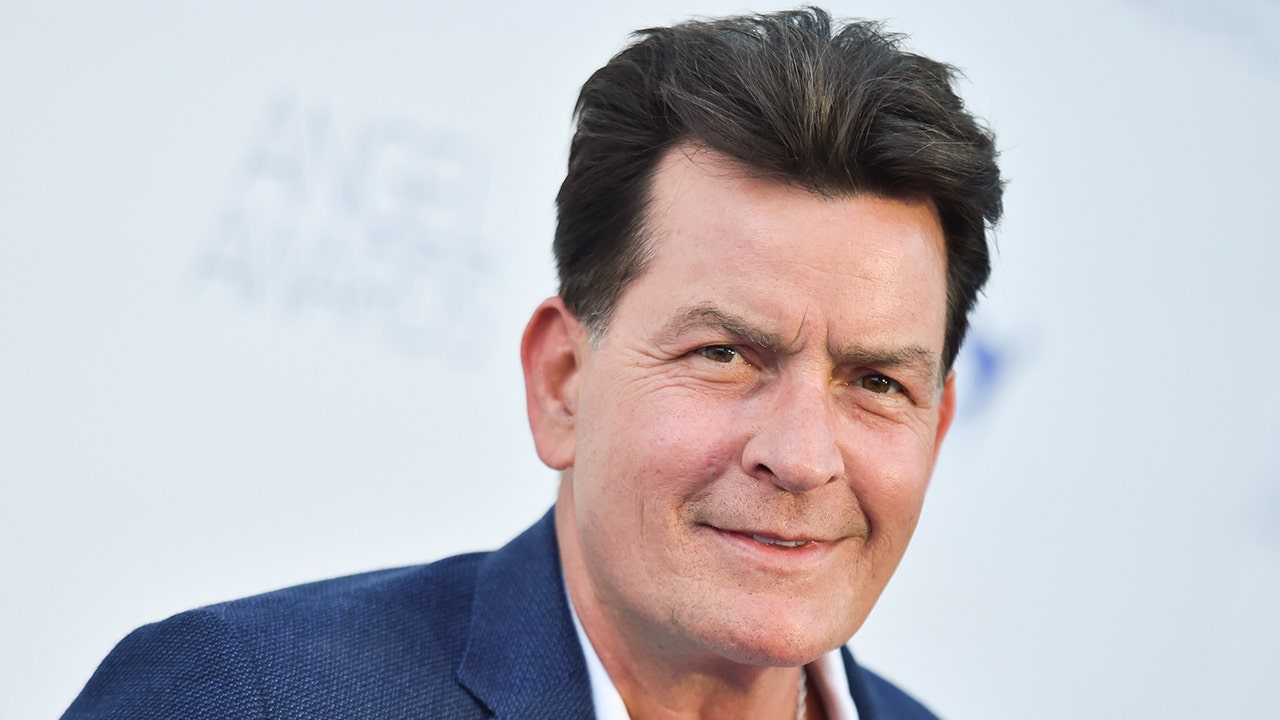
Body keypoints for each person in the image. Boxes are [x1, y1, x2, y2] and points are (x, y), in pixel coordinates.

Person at [63, 8, 1002, 719]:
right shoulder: (240, 697)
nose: (799, 458)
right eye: (723, 354)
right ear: (562, 383)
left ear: (937, 427)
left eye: (876, 383)